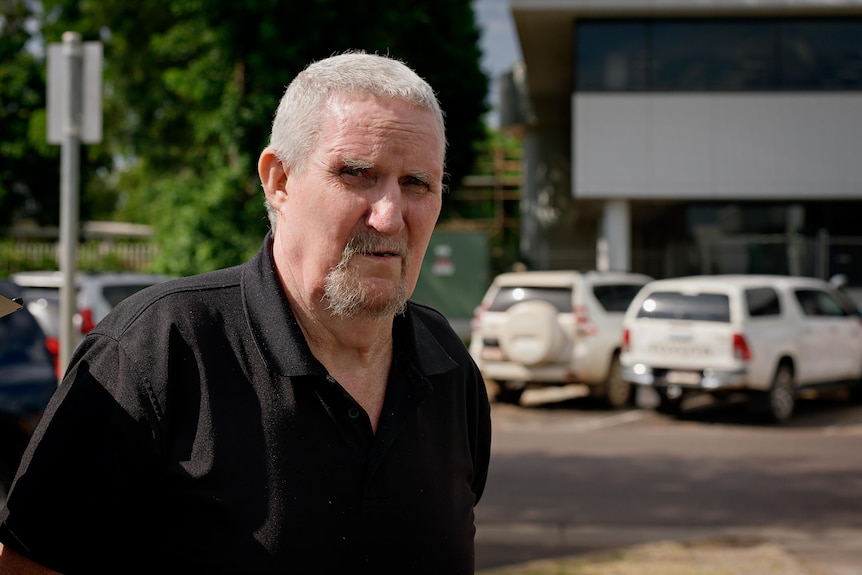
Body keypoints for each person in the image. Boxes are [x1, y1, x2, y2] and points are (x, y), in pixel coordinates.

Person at [0, 52, 492, 574]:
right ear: (278, 180)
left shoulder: (448, 367)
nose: (390, 216)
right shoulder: (158, 350)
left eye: (418, 183)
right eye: (357, 174)